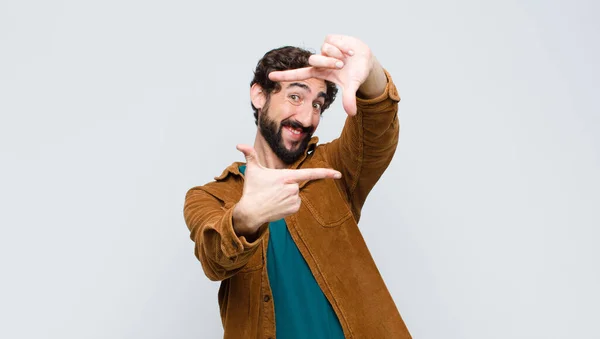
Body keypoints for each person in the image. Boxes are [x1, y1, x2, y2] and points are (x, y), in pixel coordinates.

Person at [183, 34, 412, 339]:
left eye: (318, 105)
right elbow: (214, 259)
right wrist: (245, 219)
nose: (307, 117)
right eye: (295, 97)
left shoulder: (331, 168)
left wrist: (370, 70)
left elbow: (377, 132)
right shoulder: (209, 197)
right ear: (259, 96)